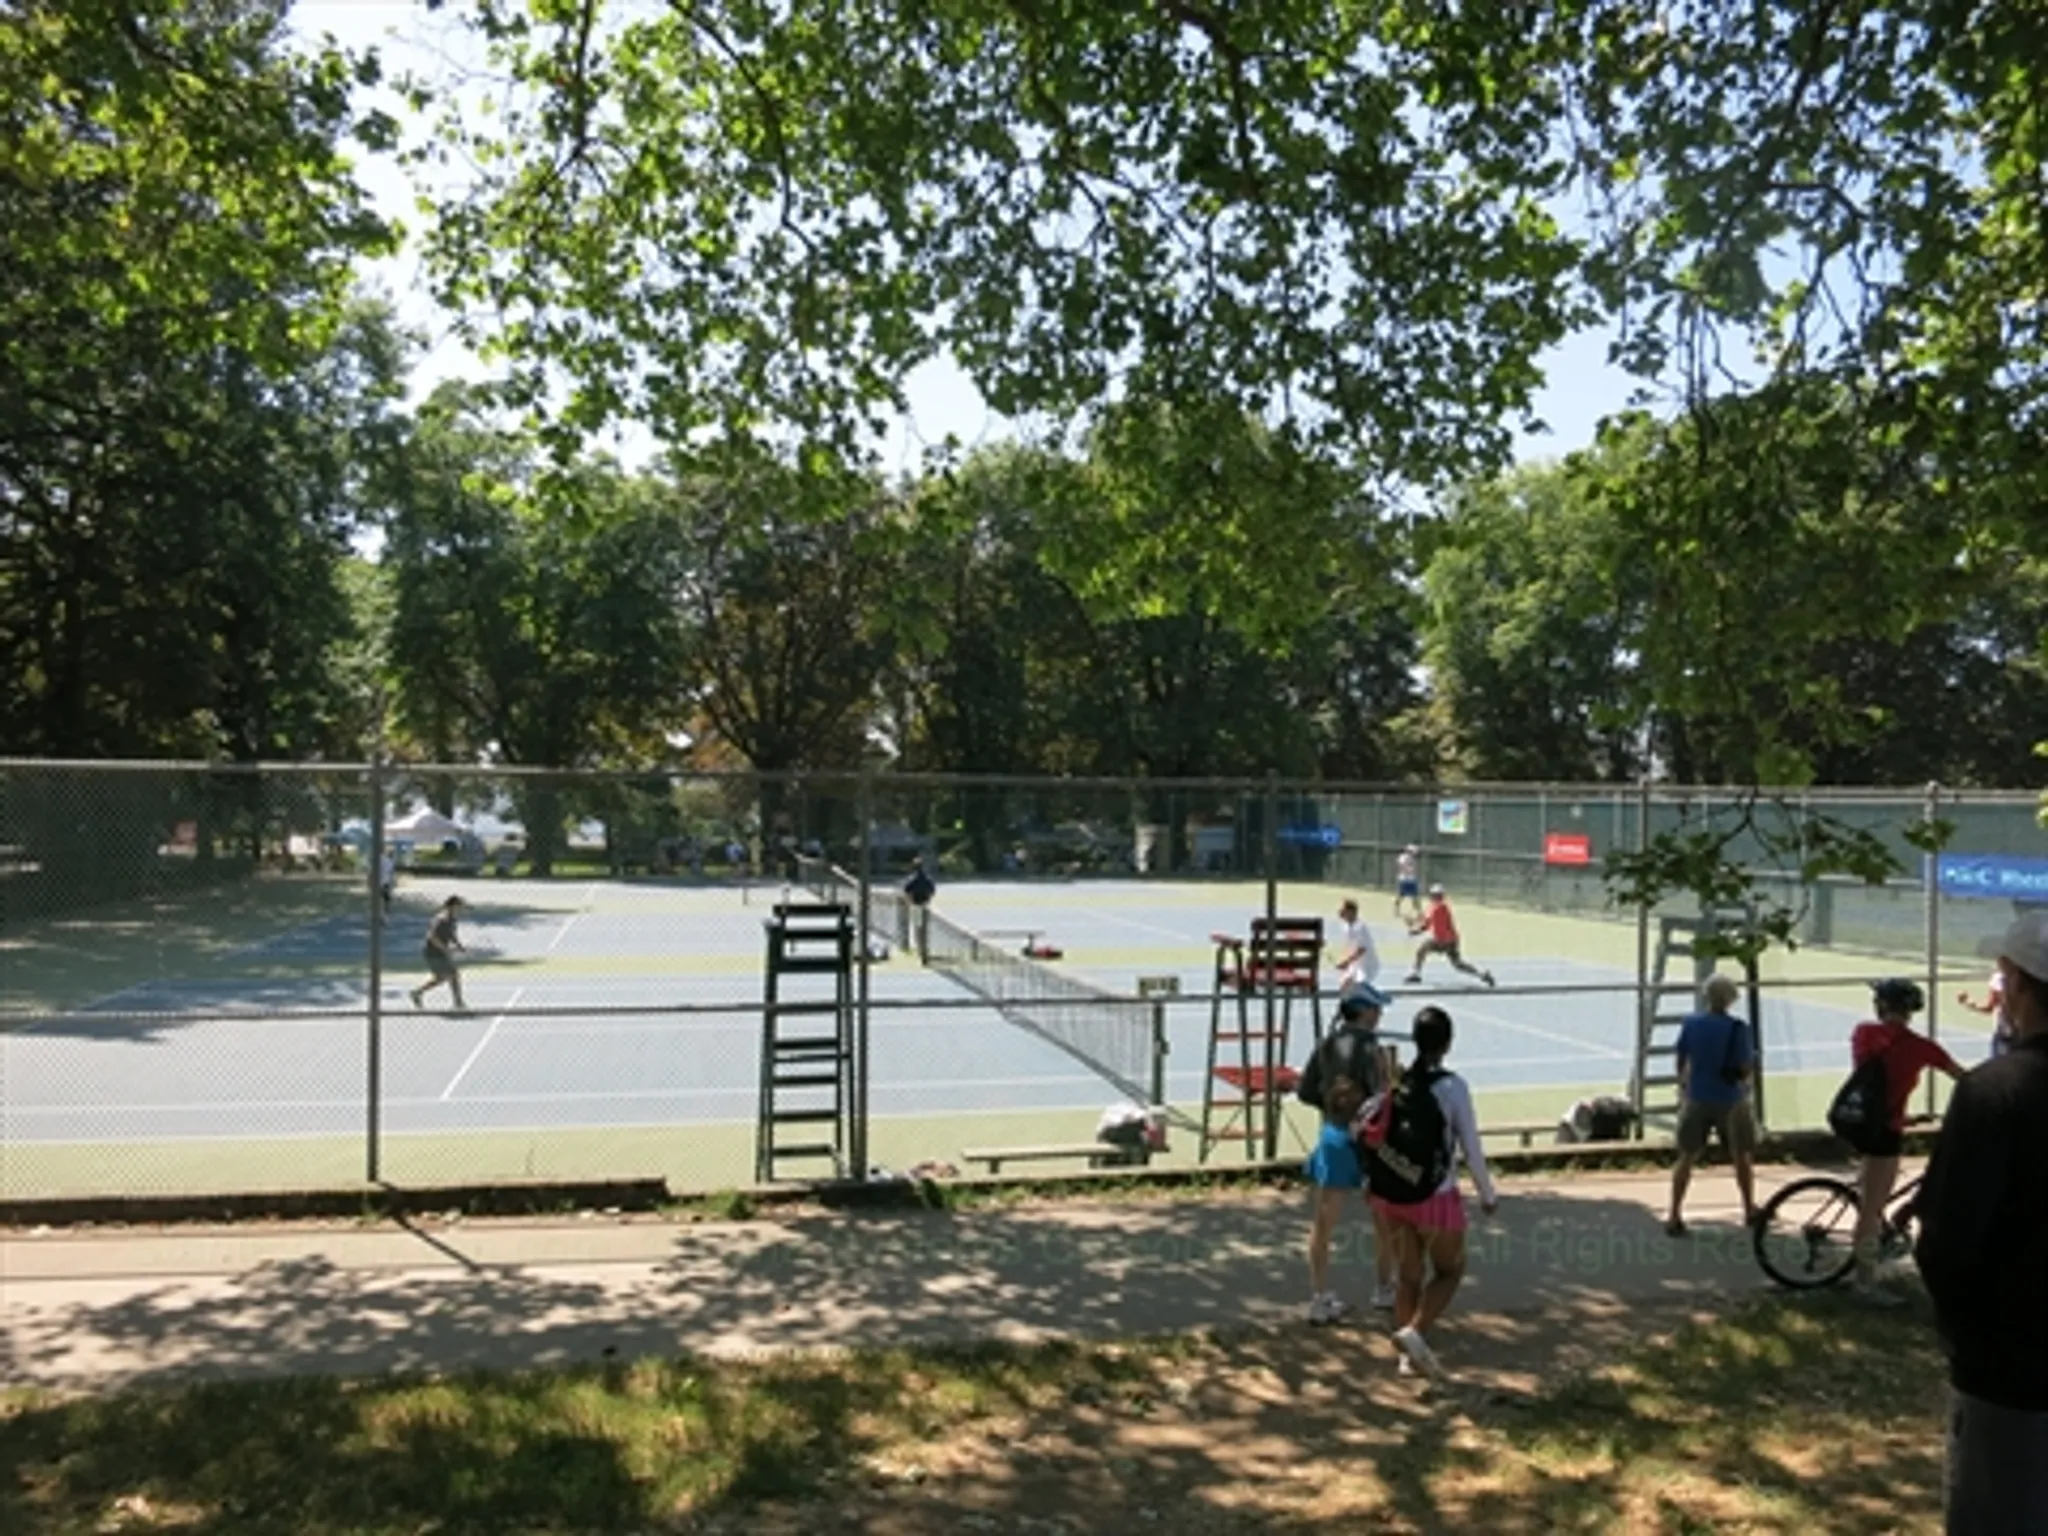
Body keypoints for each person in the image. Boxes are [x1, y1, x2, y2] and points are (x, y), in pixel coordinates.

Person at [1915, 911, 2048, 1532]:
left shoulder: (1994, 1094)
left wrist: (1968, 1339)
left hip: (2011, 1376)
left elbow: (1945, 1243)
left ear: (2016, 982)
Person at [1364, 1004, 1497, 1382]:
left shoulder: (1399, 1083)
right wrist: (1487, 1194)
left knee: (1408, 1276)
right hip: (1435, 1198)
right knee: (1450, 1271)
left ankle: (1407, 1358)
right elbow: (1470, 1145)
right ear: (1447, 1044)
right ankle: (1415, 1333)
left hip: (1392, 1195)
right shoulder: (1453, 1088)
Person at [1846, 976, 1962, 1301]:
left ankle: (1871, 1255)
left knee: (1869, 1199)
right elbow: (1963, 1078)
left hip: (1860, 1123)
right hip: (1886, 1131)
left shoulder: (1864, 1033)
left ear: (1881, 1006)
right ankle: (1864, 1282)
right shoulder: (1922, 1047)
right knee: (1871, 1210)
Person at [1298, 984, 1399, 1325]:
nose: (1380, 1014)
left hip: (1334, 1135)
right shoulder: (1374, 1049)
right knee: (1383, 1220)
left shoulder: (1325, 1045)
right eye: (1375, 1008)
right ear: (1363, 1011)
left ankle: (1318, 1296)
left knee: (1324, 1222)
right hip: (1370, 1142)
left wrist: (1332, 1106)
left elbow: (1305, 1091)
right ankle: (1385, 1288)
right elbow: (1385, 1096)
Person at [1664, 973, 1759, 1236]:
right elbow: (1744, 1066)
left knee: (1686, 1156)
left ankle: (1674, 1213)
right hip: (1730, 1099)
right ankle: (1749, 1208)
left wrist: (1684, 1085)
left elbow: (1681, 1058)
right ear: (1730, 999)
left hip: (1698, 1096)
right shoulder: (1738, 1028)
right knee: (1741, 1155)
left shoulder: (1692, 1023)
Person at [1401, 885, 1495, 988]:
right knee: (1458, 964)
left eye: (1437, 895)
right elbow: (1427, 924)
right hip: (1451, 940)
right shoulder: (1434, 907)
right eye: (1436, 895)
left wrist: (1416, 928)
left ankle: (1416, 974)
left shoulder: (1440, 907)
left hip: (1445, 940)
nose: (1436, 896)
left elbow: (1430, 924)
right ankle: (1482, 975)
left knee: (1422, 949)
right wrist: (1415, 929)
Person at [409, 895, 469, 1012]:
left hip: (440, 953)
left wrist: (459, 946)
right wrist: (445, 949)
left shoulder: (452, 919)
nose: (462, 909)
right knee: (451, 975)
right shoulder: (442, 919)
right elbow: (431, 936)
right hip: (432, 953)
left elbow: (451, 934)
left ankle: (417, 993)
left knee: (446, 977)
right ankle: (458, 1002)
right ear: (452, 906)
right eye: (460, 906)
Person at [1956, 968, 2015, 1058]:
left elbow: (1989, 1007)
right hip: (2017, 1032)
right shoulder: (2023, 977)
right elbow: (1990, 1007)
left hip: (2005, 1033)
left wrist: (1968, 1003)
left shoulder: (1998, 979)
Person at [1331, 897, 1382, 992]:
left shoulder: (1361, 927)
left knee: (1358, 988)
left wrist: (1346, 962)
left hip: (1367, 966)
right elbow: (1350, 947)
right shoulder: (1346, 927)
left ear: (1350, 911)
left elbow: (1361, 949)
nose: (1339, 912)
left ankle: (1375, 1003)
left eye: (1343, 910)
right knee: (1344, 985)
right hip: (1355, 965)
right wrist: (1344, 961)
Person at [902, 856, 935, 962]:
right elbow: (932, 891)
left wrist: (910, 902)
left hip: (916, 906)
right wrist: (927, 900)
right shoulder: (927, 878)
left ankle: (921, 952)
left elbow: (907, 891)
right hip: (925, 906)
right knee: (924, 930)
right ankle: (924, 951)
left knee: (917, 929)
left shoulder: (912, 879)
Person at [1393, 844, 1423, 922]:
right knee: (1400, 895)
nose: (1415, 853)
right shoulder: (1403, 857)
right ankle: (1396, 910)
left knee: (1415, 897)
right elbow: (1401, 865)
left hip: (1412, 880)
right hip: (1404, 880)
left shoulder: (1412, 859)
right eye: (1413, 851)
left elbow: (1412, 869)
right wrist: (1407, 870)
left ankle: (1419, 913)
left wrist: (1411, 872)